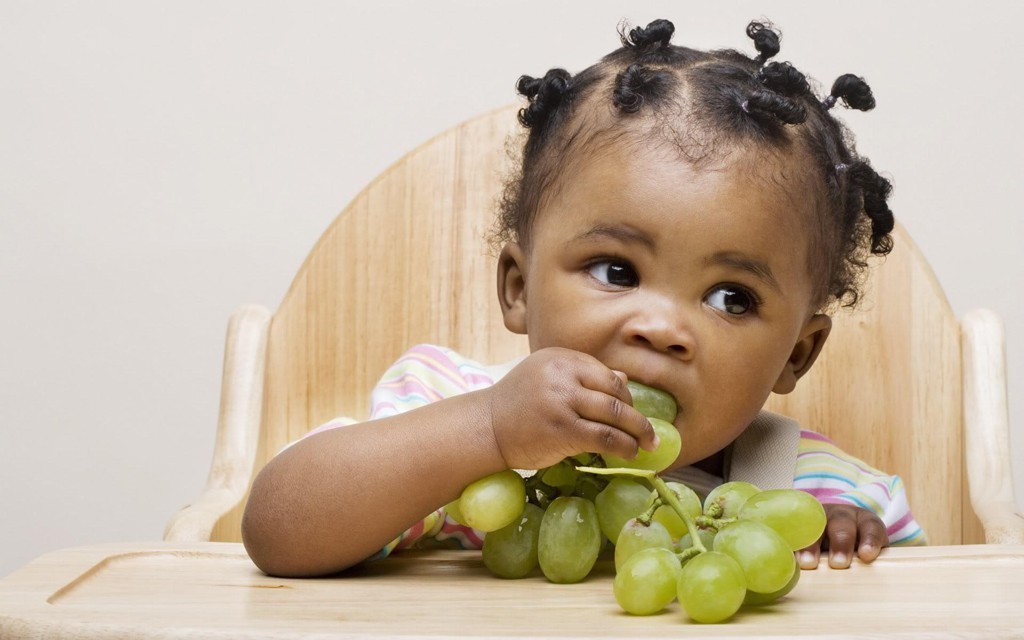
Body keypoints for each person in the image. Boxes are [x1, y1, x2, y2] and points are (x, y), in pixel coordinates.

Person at [241, 18, 925, 578]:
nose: (662, 328)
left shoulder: (813, 488)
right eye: (617, 272)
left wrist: (851, 554)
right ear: (517, 288)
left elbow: (933, 606)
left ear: (796, 354)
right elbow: (277, 530)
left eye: (730, 297)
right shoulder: (445, 406)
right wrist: (485, 430)